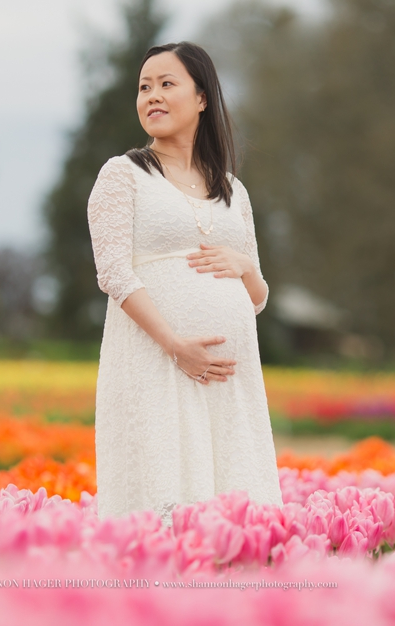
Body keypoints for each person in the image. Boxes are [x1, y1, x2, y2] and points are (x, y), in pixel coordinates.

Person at [86, 41, 284, 528]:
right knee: (166, 502)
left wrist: (244, 265)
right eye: (144, 87)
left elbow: (257, 299)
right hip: (157, 365)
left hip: (230, 382)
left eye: (166, 84)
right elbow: (113, 273)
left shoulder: (233, 190)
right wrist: (175, 345)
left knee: (235, 507)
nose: (151, 95)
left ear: (202, 98)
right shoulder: (123, 175)